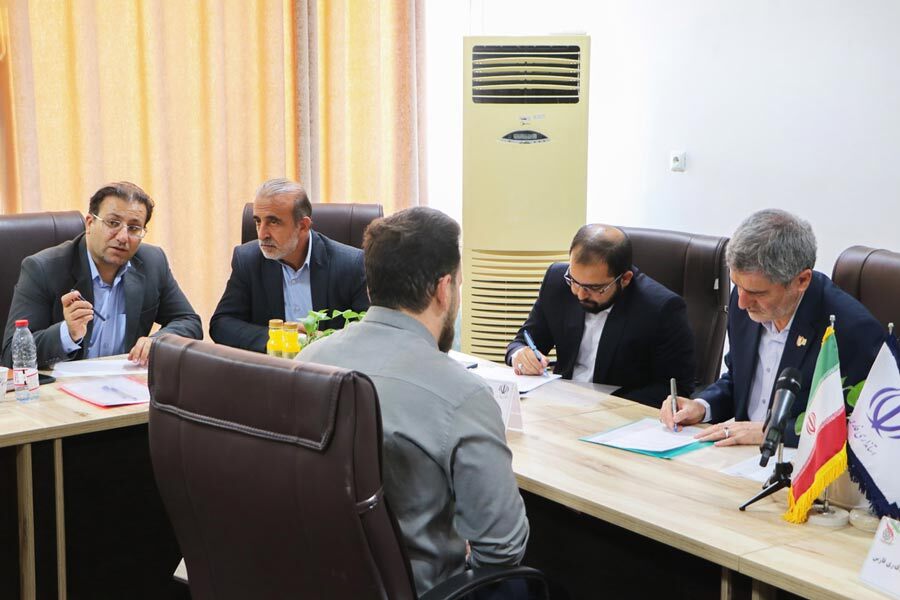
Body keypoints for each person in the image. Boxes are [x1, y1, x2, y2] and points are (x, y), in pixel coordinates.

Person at [299, 207, 529, 595]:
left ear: (371, 288)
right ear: (444, 289)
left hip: (323, 581)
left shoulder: (309, 360)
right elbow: (503, 549)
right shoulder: (463, 394)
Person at [661, 209, 883, 447]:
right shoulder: (745, 300)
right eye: (737, 285)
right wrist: (702, 406)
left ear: (802, 280)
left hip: (799, 460)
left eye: (757, 292)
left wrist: (773, 432)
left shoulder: (852, 330)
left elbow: (864, 428)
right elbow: (737, 380)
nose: (741, 302)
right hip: (738, 455)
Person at [1, 181, 202, 368]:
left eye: (134, 228)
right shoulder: (43, 268)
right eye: (113, 223)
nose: (123, 237)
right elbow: (12, 355)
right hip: (63, 388)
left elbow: (189, 321)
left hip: (125, 385)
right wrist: (67, 333)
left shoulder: (152, 262)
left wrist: (158, 342)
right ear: (90, 223)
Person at [506, 224, 696, 406]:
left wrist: (606, 405)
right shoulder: (557, 281)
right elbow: (522, 341)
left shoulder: (662, 308)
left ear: (625, 279)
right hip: (558, 403)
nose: (580, 294)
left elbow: (676, 389)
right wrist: (520, 355)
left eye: (594, 288)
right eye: (574, 281)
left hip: (619, 413)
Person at [210, 178, 368, 353]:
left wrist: (324, 341)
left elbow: (370, 334)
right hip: (274, 367)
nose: (262, 234)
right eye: (258, 221)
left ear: (303, 226)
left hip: (328, 366)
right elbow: (221, 325)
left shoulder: (351, 264)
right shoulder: (247, 260)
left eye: (273, 222)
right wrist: (281, 338)